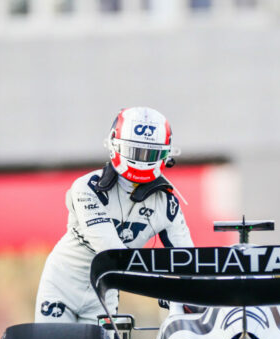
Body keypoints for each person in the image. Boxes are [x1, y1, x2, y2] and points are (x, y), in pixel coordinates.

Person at [35, 106, 194, 324]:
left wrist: (188, 291)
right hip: (62, 284)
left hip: (104, 293)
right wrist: (163, 286)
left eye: (150, 154)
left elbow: (189, 262)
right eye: (135, 152)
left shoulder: (168, 204)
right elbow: (111, 253)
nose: (142, 160)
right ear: (114, 144)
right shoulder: (87, 187)